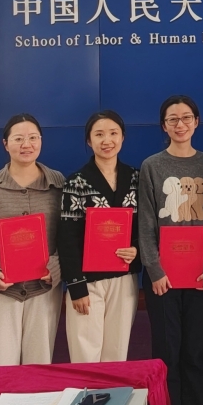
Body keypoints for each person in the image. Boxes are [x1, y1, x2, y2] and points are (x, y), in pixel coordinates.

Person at [136, 95, 203, 405]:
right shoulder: (151, 166)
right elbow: (146, 223)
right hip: (162, 280)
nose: (180, 124)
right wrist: (155, 271)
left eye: (186, 118)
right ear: (164, 126)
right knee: (167, 354)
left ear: (197, 122)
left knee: (195, 354)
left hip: (198, 277)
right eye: (173, 119)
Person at [0, 113, 66, 366]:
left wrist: (56, 268)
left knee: (40, 365)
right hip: (2, 292)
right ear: (5, 144)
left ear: (41, 141)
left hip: (43, 290)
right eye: (18, 138)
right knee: (1, 367)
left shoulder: (58, 184)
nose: (26, 144)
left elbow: (69, 236)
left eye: (33, 138)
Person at [59, 111, 141, 363]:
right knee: (86, 353)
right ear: (89, 140)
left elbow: (145, 226)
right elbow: (67, 237)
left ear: (123, 137)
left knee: (117, 351)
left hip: (124, 276)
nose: (107, 140)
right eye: (99, 134)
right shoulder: (76, 182)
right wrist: (75, 286)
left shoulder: (136, 178)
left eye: (113, 133)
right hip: (88, 280)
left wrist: (136, 249)